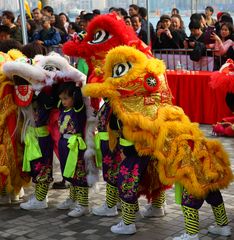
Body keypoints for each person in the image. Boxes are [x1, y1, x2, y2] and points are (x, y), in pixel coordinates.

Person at [56, 82, 89, 218]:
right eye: (61, 98)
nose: (63, 101)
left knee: (79, 174)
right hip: (64, 142)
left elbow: (80, 100)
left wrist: (77, 86)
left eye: (66, 98)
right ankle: (73, 199)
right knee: (69, 173)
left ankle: (83, 204)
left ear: (74, 97)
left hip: (75, 145)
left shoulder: (78, 109)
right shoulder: (62, 109)